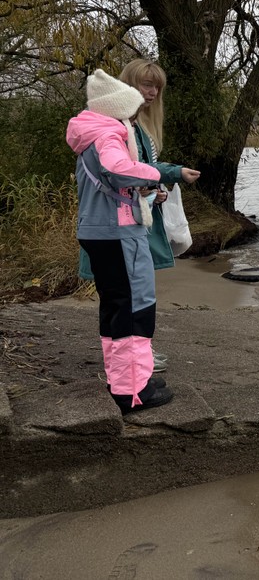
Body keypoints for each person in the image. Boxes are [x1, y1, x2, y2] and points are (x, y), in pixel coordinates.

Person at [66, 69, 199, 413]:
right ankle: (132, 393)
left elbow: (112, 179)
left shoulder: (90, 133)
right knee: (135, 308)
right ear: (118, 106)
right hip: (119, 233)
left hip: (99, 231)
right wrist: (155, 175)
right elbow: (119, 168)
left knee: (114, 307)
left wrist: (144, 187)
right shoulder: (109, 136)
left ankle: (127, 379)